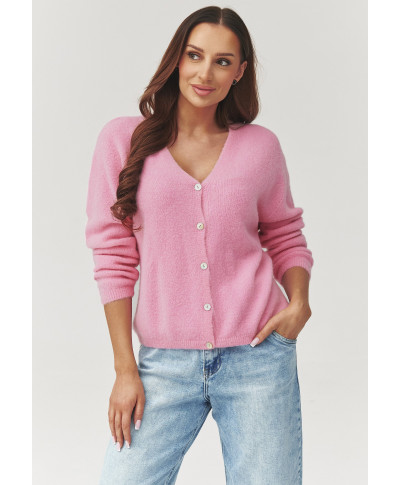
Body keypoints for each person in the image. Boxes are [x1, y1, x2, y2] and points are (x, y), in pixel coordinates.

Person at [85, 6, 314, 485]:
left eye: (222, 61)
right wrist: (125, 369)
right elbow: (113, 256)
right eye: (194, 55)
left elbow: (284, 233)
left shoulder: (261, 147)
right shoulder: (123, 140)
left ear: (240, 72)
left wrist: (299, 303)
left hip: (258, 356)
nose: (204, 73)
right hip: (163, 364)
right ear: (177, 58)